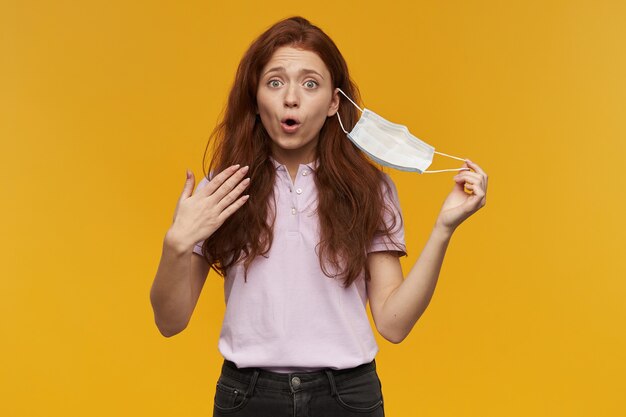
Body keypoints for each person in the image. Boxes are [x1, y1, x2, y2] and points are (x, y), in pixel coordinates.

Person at [150, 16, 488, 417]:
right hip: (248, 397)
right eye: (275, 82)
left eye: (310, 83)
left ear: (333, 102)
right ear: (256, 99)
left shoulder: (370, 189)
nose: (291, 97)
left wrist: (443, 229)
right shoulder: (221, 190)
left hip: (346, 397)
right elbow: (170, 322)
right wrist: (176, 244)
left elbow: (394, 324)